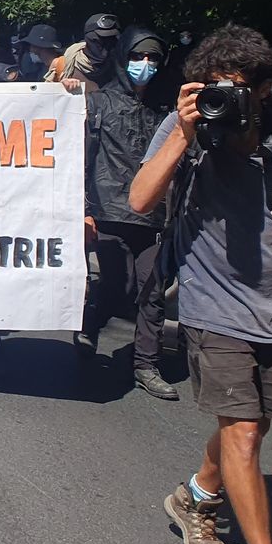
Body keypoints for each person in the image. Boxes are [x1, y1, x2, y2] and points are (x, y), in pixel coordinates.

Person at [130, 25, 272, 544]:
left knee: (258, 424)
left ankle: (195, 496)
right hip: (212, 307)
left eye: (236, 88)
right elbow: (141, 199)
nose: (225, 98)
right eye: (212, 86)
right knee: (240, 429)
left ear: (265, 89)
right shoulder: (185, 128)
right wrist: (183, 134)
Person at [72, 27, 180, 399]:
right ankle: (89, 322)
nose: (145, 65)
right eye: (137, 57)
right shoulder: (98, 104)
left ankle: (146, 366)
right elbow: (81, 159)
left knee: (152, 291)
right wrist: (84, 210)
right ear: (123, 59)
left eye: (152, 58)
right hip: (107, 212)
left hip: (153, 217)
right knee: (116, 286)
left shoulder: (167, 110)